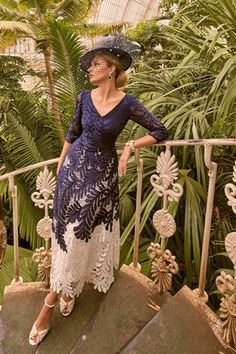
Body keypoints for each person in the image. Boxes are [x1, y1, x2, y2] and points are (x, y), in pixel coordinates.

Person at [29, 36, 168, 345]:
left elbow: (160, 130)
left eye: (95, 63)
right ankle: (60, 294)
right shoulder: (82, 97)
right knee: (67, 238)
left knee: (81, 237)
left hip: (101, 180)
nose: (89, 68)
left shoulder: (128, 103)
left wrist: (129, 147)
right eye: (90, 64)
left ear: (111, 69)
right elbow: (72, 131)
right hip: (72, 174)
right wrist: (61, 162)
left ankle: (55, 299)